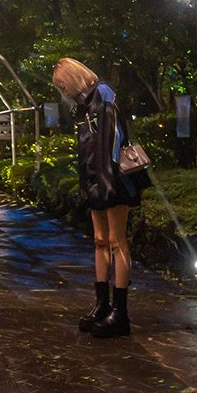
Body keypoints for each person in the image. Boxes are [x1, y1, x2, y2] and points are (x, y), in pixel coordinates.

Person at [54, 57, 137, 338]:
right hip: (94, 180)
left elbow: (114, 137)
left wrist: (108, 175)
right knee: (101, 240)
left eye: (62, 84)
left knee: (117, 241)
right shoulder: (83, 106)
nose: (62, 89)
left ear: (72, 77)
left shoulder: (103, 93)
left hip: (112, 179)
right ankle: (102, 304)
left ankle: (120, 312)